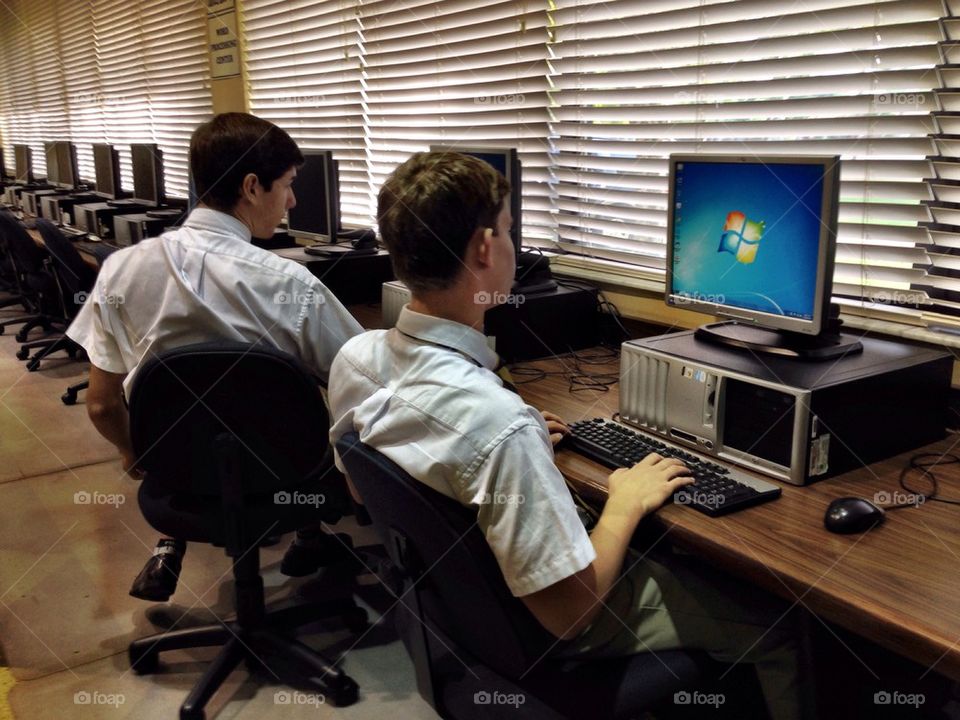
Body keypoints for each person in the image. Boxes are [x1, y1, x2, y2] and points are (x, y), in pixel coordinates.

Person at [327, 151, 814, 720]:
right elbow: (569, 612)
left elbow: (364, 492)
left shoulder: (356, 359)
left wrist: (505, 459)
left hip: (465, 613)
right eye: (509, 231)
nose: (514, 246)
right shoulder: (499, 425)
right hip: (557, 625)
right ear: (485, 249)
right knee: (785, 624)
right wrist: (623, 506)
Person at [67, 112, 363, 602]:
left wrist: (134, 452)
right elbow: (364, 374)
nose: (292, 202)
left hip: (178, 474)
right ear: (251, 187)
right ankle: (312, 535)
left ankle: (188, 542)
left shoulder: (121, 271)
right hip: (284, 472)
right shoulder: (289, 284)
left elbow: (100, 405)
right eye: (287, 186)